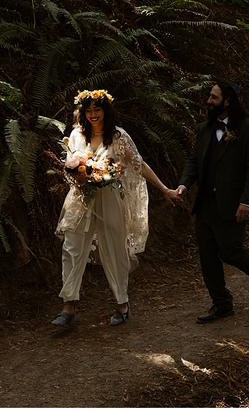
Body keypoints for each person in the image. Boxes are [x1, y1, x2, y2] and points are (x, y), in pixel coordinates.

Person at [51, 89, 181, 327]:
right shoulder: (77, 135)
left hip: (110, 199)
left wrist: (164, 189)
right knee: (72, 247)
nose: (92, 115)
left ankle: (122, 303)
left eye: (97, 110)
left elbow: (139, 165)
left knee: (114, 249)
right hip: (81, 199)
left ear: (106, 111)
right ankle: (68, 306)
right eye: (88, 110)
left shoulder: (119, 137)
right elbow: (68, 167)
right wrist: (77, 175)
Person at [177, 81, 249, 321]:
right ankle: (221, 304)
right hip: (205, 204)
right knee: (207, 255)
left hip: (232, 203)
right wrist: (183, 184)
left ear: (227, 101)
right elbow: (193, 160)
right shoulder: (203, 129)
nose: (208, 101)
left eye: (213, 97)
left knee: (230, 252)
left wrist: (247, 202)